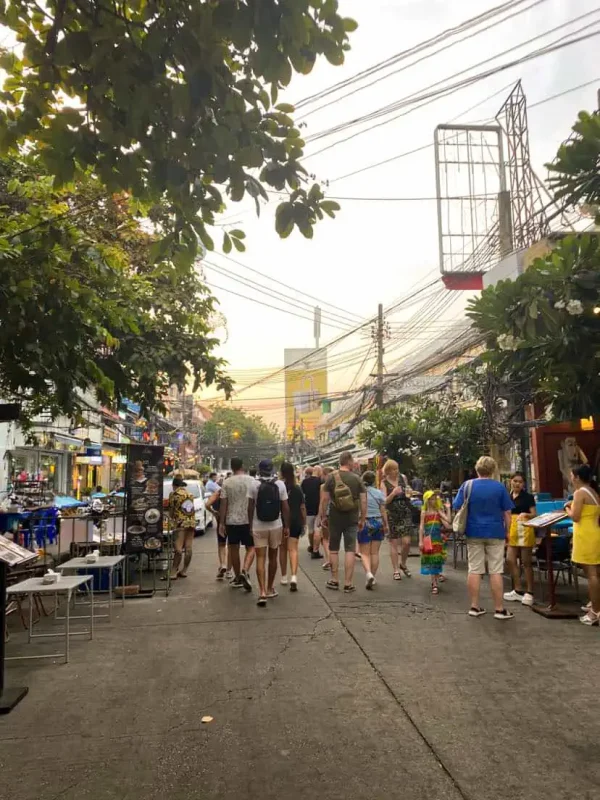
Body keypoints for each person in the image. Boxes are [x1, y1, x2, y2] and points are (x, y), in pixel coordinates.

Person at [453, 456, 514, 620]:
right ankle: (499, 609)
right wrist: (509, 532)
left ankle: (474, 606)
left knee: (474, 569)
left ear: (477, 469)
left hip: (473, 531)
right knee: (496, 570)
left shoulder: (467, 486)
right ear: (493, 470)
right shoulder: (500, 487)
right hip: (495, 531)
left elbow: (457, 506)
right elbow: (507, 513)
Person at [320, 452, 366, 593]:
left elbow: (325, 500)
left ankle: (334, 580)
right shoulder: (357, 479)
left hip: (335, 517)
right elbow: (363, 500)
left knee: (333, 548)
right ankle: (348, 583)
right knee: (350, 549)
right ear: (349, 461)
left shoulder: (331, 478)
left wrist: (323, 516)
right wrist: (362, 518)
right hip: (352, 518)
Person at [247, 459, 290, 607]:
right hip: (276, 525)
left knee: (260, 558)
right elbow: (285, 507)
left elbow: (250, 507)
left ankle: (262, 592)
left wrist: (250, 525)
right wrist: (286, 526)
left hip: (258, 526)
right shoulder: (280, 484)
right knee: (273, 557)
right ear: (272, 469)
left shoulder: (253, 484)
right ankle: (271, 588)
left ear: (260, 469)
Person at [565, 464, 600, 625]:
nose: (571, 477)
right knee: (595, 573)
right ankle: (594, 604)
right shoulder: (593, 492)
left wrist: (567, 508)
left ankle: (595, 612)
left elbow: (575, 516)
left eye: (572, 475)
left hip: (585, 534)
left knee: (591, 574)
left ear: (577, 477)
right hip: (593, 531)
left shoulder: (579, 493)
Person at [219, 458, 255, 592]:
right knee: (251, 547)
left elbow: (223, 503)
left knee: (233, 548)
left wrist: (221, 523)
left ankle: (238, 577)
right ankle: (245, 570)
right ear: (242, 466)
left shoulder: (227, 482)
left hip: (231, 520)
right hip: (248, 520)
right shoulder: (252, 481)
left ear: (232, 467)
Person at [503, 472, 537, 607]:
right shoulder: (508, 497)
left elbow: (534, 514)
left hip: (525, 530)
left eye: (520, 482)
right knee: (510, 560)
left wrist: (527, 514)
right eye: (515, 481)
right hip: (512, 531)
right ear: (511, 481)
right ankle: (518, 589)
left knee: (526, 562)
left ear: (523, 484)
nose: (517, 484)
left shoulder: (528, 497)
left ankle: (530, 592)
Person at [381, 459, 414, 581]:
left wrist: (409, 492)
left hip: (405, 512)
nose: (396, 471)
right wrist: (393, 493)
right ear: (388, 471)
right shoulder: (384, 483)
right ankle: (395, 569)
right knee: (394, 543)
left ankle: (403, 563)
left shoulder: (403, 478)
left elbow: (408, 491)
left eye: (397, 469)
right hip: (392, 514)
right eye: (394, 469)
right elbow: (384, 501)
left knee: (407, 542)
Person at [358, 471, 389, 590]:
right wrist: (386, 525)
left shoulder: (360, 493)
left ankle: (368, 573)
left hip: (364, 522)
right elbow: (383, 511)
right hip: (378, 522)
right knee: (374, 553)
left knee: (364, 553)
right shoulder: (379, 493)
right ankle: (373, 577)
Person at [279, 462, 306, 591]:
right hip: (295, 521)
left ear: (281, 473)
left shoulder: (279, 487)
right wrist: (304, 523)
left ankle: (284, 576)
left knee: (282, 549)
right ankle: (294, 576)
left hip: (282, 521)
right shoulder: (297, 488)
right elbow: (302, 507)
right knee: (293, 549)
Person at [419, 490, 450, 594]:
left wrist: (448, 509)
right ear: (426, 500)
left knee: (437, 560)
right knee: (432, 561)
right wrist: (420, 541)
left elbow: (448, 522)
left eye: (434, 499)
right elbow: (421, 527)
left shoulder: (438, 511)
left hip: (437, 540)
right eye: (430, 499)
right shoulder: (424, 513)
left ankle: (436, 577)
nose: (432, 501)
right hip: (429, 540)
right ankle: (434, 583)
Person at [167, 476, 196, 580]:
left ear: (174, 485)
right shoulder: (190, 494)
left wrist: (171, 520)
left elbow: (171, 511)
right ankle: (184, 570)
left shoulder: (174, 494)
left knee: (178, 549)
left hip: (180, 523)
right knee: (188, 547)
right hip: (191, 523)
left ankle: (174, 571)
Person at [301, 466, 323, 559]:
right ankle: (315, 551)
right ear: (318, 471)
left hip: (308, 508)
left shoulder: (304, 482)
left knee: (310, 530)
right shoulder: (321, 482)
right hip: (318, 509)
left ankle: (311, 546)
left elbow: (303, 495)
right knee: (317, 530)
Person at [316, 466, 333, 570]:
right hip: (338, 514)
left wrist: (320, 516)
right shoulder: (340, 484)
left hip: (327, 514)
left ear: (326, 474)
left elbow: (322, 501)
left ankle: (329, 559)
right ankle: (333, 558)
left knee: (325, 539)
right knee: (333, 539)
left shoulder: (323, 486)